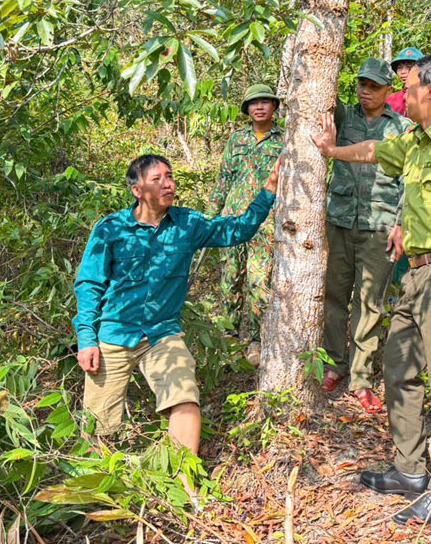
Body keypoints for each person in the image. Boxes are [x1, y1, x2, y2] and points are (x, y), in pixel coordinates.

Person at [312, 54, 431, 525]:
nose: (403, 95)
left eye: (409, 86)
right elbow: (375, 153)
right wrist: (332, 153)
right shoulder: (414, 141)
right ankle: (410, 469)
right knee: (398, 369)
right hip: (414, 274)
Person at [73, 154, 280, 453]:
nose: (167, 184)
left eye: (169, 177)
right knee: (98, 427)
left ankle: (183, 487)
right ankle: (105, 492)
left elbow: (238, 230)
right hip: (113, 335)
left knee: (184, 400)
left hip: (161, 334)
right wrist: (86, 339)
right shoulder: (110, 229)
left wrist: (269, 188)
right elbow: (89, 284)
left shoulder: (187, 224)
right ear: (137, 190)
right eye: (156, 180)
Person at [322, 57, 411, 413]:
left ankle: (360, 377)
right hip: (340, 221)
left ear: (390, 91)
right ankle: (333, 364)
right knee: (333, 297)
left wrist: (402, 224)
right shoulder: (345, 118)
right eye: (361, 83)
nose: (365, 91)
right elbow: (322, 100)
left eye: (374, 86)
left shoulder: (402, 127)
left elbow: (409, 180)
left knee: (370, 303)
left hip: (379, 226)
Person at [208, 85, 284, 364]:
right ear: (247, 109)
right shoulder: (236, 139)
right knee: (230, 277)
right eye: (253, 103)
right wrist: (211, 217)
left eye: (265, 102)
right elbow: (223, 179)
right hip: (231, 219)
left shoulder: (284, 139)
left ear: (274, 106)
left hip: (265, 222)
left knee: (258, 279)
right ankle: (228, 337)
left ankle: (256, 339)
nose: (259, 107)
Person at [385, 47, 424, 116]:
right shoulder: (391, 100)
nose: (403, 72)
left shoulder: (430, 97)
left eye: (409, 67)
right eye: (399, 68)